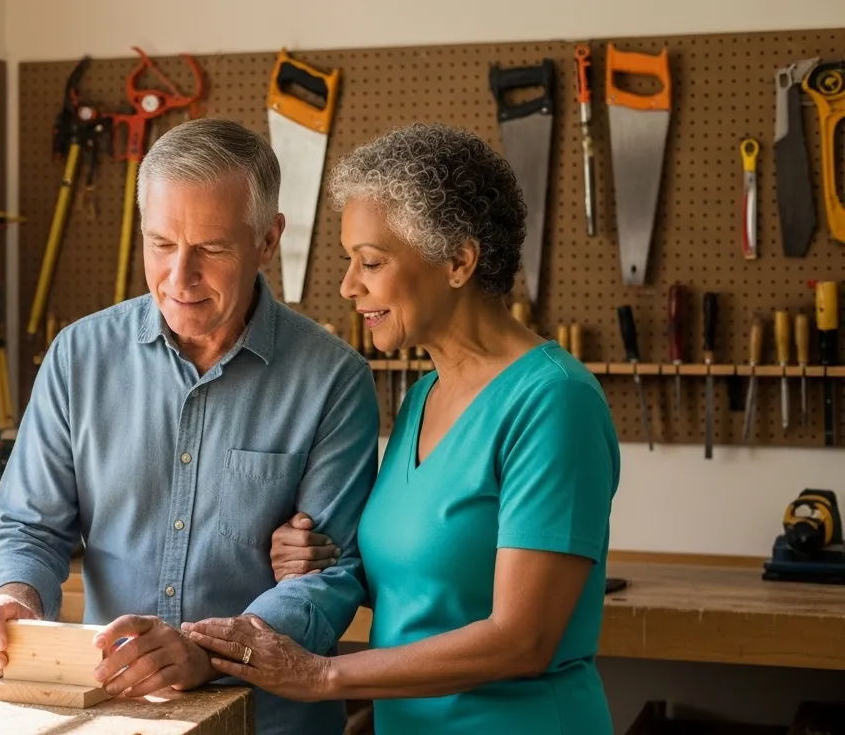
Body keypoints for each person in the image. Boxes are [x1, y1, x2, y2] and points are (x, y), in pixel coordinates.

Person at [185, 123, 620, 735]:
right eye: (348, 261)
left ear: (459, 262)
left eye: (372, 262)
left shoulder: (553, 403)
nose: (348, 286)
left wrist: (322, 677)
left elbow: (523, 639)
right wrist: (324, 560)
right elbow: (431, 584)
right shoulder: (425, 395)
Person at [0, 117, 381, 734]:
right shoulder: (79, 356)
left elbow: (332, 579)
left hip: (268, 722)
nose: (179, 279)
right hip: (114, 714)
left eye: (210, 249)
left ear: (268, 240)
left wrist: (208, 652)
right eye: (161, 244)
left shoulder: (333, 379)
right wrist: (10, 599)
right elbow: (30, 527)